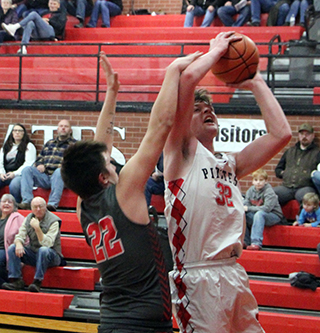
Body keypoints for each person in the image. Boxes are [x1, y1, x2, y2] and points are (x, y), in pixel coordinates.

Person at [61, 50, 202, 332]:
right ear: (103, 177)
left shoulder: (83, 206)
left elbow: (101, 147)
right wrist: (172, 71)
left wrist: (112, 93)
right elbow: (159, 127)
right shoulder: (123, 192)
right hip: (141, 326)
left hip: (113, 321)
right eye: (111, 164)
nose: (115, 163)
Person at [163, 31, 292, 332]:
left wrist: (254, 80)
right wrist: (217, 51)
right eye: (197, 109)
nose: (207, 109)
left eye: (210, 108)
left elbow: (281, 134)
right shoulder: (180, 153)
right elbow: (185, 82)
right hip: (196, 277)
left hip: (233, 272)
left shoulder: (230, 165)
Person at [2, 196, 65, 292]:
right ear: (31, 208)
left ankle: (37, 282)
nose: (38, 209)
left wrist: (37, 229)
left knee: (43, 250)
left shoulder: (54, 221)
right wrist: (18, 243)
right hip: (34, 253)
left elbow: (47, 243)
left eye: (41, 206)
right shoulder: (28, 218)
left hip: (52, 256)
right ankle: (16, 280)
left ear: (45, 207)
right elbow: (20, 235)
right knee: (12, 248)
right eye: (35, 207)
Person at [17, 119, 76, 211]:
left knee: (59, 171)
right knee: (27, 170)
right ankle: (27, 201)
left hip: (63, 178)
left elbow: (77, 164)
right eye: (61, 126)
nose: (63, 128)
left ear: (70, 130)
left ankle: (52, 204)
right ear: (57, 129)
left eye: (66, 126)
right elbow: (39, 159)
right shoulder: (49, 143)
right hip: (46, 176)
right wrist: (40, 165)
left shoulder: (75, 145)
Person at [274, 123, 320, 206]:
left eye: (307, 134)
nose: (304, 136)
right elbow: (278, 169)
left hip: (305, 187)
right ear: (298, 135)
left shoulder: (317, 153)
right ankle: (275, 217)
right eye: (302, 134)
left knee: (307, 198)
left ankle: (302, 219)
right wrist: (284, 174)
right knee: (271, 194)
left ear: (313, 136)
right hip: (286, 187)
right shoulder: (290, 151)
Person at [1, 0, 67, 55]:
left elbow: (60, 26)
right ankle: (23, 47)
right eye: (50, 3)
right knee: (30, 23)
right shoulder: (45, 13)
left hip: (51, 33)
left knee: (34, 14)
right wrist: (42, 21)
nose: (52, 5)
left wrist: (49, 21)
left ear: (58, 5)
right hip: (40, 34)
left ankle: (15, 27)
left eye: (54, 4)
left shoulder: (61, 14)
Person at [243, 168, 284, 251]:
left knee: (259, 214)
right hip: (258, 214)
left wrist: (249, 208)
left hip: (273, 215)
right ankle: (245, 241)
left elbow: (267, 208)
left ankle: (256, 243)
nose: (258, 182)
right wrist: (245, 208)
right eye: (256, 180)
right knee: (243, 214)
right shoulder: (250, 191)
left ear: (266, 181)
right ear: (252, 181)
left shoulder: (269, 191)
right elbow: (246, 204)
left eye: (261, 180)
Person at [0, 123, 36, 203]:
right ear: (12, 133)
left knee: (14, 185)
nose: (17, 133)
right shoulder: (6, 146)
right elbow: (0, 163)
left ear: (24, 133)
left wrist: (14, 173)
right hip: (5, 174)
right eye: (15, 130)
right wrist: (1, 173)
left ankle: (15, 204)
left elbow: (28, 163)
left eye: (20, 131)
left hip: (20, 175)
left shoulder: (29, 146)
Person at [0, 194, 24, 286]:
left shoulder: (18, 218)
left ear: (14, 206)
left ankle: (4, 284)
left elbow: (24, 236)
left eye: (9, 202)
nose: (6, 203)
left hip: (6, 248)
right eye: (4, 201)